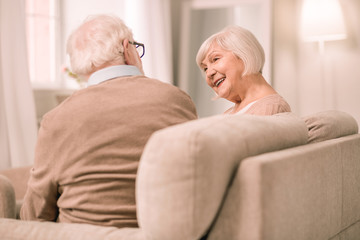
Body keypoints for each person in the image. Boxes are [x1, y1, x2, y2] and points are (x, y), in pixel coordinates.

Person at [20, 14, 197, 228]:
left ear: (78, 64)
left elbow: (35, 215)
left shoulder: (56, 119)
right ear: (128, 48)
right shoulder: (177, 100)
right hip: (162, 232)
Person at [196, 25, 291, 115]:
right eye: (205, 69)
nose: (208, 73)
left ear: (244, 54)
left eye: (215, 59)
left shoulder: (271, 107)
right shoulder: (230, 113)